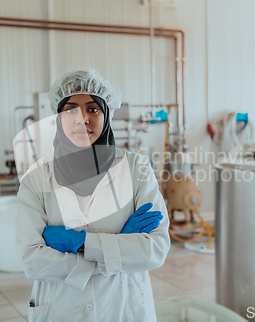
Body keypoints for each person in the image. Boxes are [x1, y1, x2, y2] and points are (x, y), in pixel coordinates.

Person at [16, 68, 171, 322]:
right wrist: (114, 249)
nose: (82, 119)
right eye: (70, 110)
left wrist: (81, 242)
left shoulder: (136, 169)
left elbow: (156, 249)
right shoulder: (37, 178)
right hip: (61, 309)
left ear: (106, 113)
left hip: (122, 307)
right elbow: (33, 260)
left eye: (92, 109)